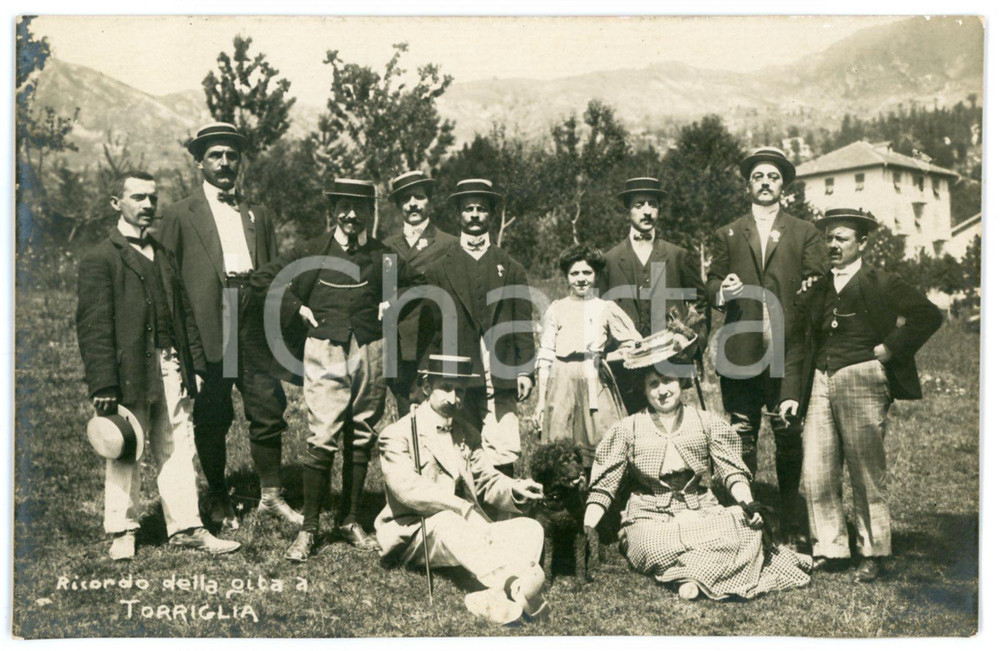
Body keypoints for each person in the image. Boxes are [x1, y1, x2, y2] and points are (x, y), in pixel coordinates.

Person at [252, 179, 420, 560]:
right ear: (334, 210)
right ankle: (309, 529)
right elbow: (264, 279)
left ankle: (348, 520)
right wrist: (297, 307)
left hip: (370, 348)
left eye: (359, 208)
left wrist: (390, 301)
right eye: (344, 207)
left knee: (361, 432)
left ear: (369, 213)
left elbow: (417, 284)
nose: (351, 215)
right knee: (323, 434)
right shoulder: (312, 250)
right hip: (324, 348)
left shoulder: (383, 255)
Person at [76, 171, 241, 559]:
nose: (147, 205)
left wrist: (195, 366)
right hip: (128, 370)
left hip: (170, 367)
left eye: (152, 198)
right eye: (137, 198)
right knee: (125, 448)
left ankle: (185, 526)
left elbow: (183, 315)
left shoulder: (164, 255)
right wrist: (103, 385)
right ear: (116, 203)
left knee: (178, 446)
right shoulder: (101, 258)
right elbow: (94, 328)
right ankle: (122, 531)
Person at [779, 208, 943, 583]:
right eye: (829, 239)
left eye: (842, 238)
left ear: (862, 243)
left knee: (866, 469)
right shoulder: (817, 289)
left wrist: (890, 348)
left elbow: (928, 315)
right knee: (817, 469)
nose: (833, 245)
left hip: (862, 378)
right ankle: (831, 548)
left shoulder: (882, 282)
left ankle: (873, 551)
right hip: (820, 380)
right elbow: (798, 345)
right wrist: (791, 393)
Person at [583, 333, 812, 600]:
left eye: (668, 381)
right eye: (653, 384)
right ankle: (711, 571)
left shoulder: (706, 422)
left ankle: (688, 576)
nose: (662, 391)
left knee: (744, 527)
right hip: (651, 518)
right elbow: (604, 487)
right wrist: (587, 528)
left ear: (681, 381)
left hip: (701, 510)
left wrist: (749, 504)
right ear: (644, 390)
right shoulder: (627, 430)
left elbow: (731, 471)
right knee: (649, 544)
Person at [159, 122, 298, 529]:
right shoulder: (180, 214)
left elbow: (274, 272)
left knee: (267, 406)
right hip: (208, 325)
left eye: (231, 155)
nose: (224, 162)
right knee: (213, 414)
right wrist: (181, 341)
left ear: (240, 162)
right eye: (215, 155)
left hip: (253, 321)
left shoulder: (259, 213)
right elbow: (169, 279)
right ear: (200, 161)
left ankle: (272, 495)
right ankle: (217, 494)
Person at [375, 352, 550, 624]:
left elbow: (486, 480)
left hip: (466, 528)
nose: (454, 398)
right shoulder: (396, 434)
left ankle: (491, 596)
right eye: (446, 388)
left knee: (530, 528)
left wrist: (516, 489)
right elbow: (408, 490)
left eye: (460, 391)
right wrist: (463, 508)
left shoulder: (466, 432)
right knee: (448, 521)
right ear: (426, 387)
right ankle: (513, 584)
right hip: (414, 534)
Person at [706, 147, 826, 540]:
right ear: (748, 186)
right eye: (758, 176)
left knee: (787, 432)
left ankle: (790, 515)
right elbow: (710, 284)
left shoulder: (804, 231)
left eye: (773, 177)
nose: (765, 183)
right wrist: (721, 290)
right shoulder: (728, 231)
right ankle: (745, 513)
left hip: (785, 350)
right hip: (740, 350)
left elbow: (816, 279)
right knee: (741, 432)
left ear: (783, 186)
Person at [418, 179, 535, 477]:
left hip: (500, 368)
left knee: (503, 443)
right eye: (468, 209)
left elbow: (522, 323)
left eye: (481, 209)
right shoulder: (438, 270)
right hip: (457, 372)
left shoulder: (511, 268)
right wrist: (425, 372)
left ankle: (502, 514)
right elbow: (429, 328)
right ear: (459, 214)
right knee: (456, 445)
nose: (473, 215)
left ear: (491, 216)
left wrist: (524, 370)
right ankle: (462, 511)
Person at [601, 177, 707, 414]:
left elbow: (700, 303)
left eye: (653, 204)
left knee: (671, 426)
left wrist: (690, 341)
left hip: (669, 360)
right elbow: (599, 312)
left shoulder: (677, 255)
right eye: (639, 205)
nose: (647, 211)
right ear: (628, 210)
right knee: (632, 429)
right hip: (626, 364)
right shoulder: (609, 260)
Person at [532, 243, 641, 466]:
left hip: (595, 381)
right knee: (561, 444)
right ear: (566, 277)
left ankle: (600, 493)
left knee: (601, 440)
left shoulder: (606, 307)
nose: (581, 279)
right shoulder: (556, 308)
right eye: (574, 273)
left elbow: (634, 344)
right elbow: (545, 355)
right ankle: (568, 495)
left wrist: (605, 358)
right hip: (561, 383)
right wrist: (541, 402)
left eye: (587, 272)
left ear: (596, 275)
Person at [382, 170, 458, 415]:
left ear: (430, 202)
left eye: (418, 197)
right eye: (406, 199)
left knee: (435, 411)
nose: (412, 204)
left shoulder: (448, 244)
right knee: (405, 413)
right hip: (395, 343)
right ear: (399, 206)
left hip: (431, 342)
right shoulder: (387, 245)